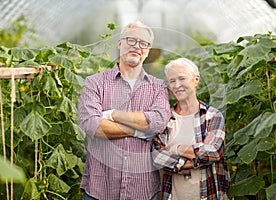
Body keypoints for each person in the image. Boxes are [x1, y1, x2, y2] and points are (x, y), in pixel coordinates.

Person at [78, 21, 171, 200]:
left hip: (142, 188)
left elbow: (158, 122)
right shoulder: (95, 82)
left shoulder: (158, 86)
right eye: (131, 40)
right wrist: (139, 131)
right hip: (101, 187)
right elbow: (92, 126)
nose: (137, 46)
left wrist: (112, 115)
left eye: (143, 43)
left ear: (148, 50)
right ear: (120, 43)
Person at [152, 58, 230, 200]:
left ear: (196, 80)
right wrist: (187, 162)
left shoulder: (212, 116)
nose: (177, 85)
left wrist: (177, 149)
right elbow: (157, 157)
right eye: (172, 81)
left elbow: (213, 152)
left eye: (182, 78)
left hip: (208, 195)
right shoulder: (164, 118)